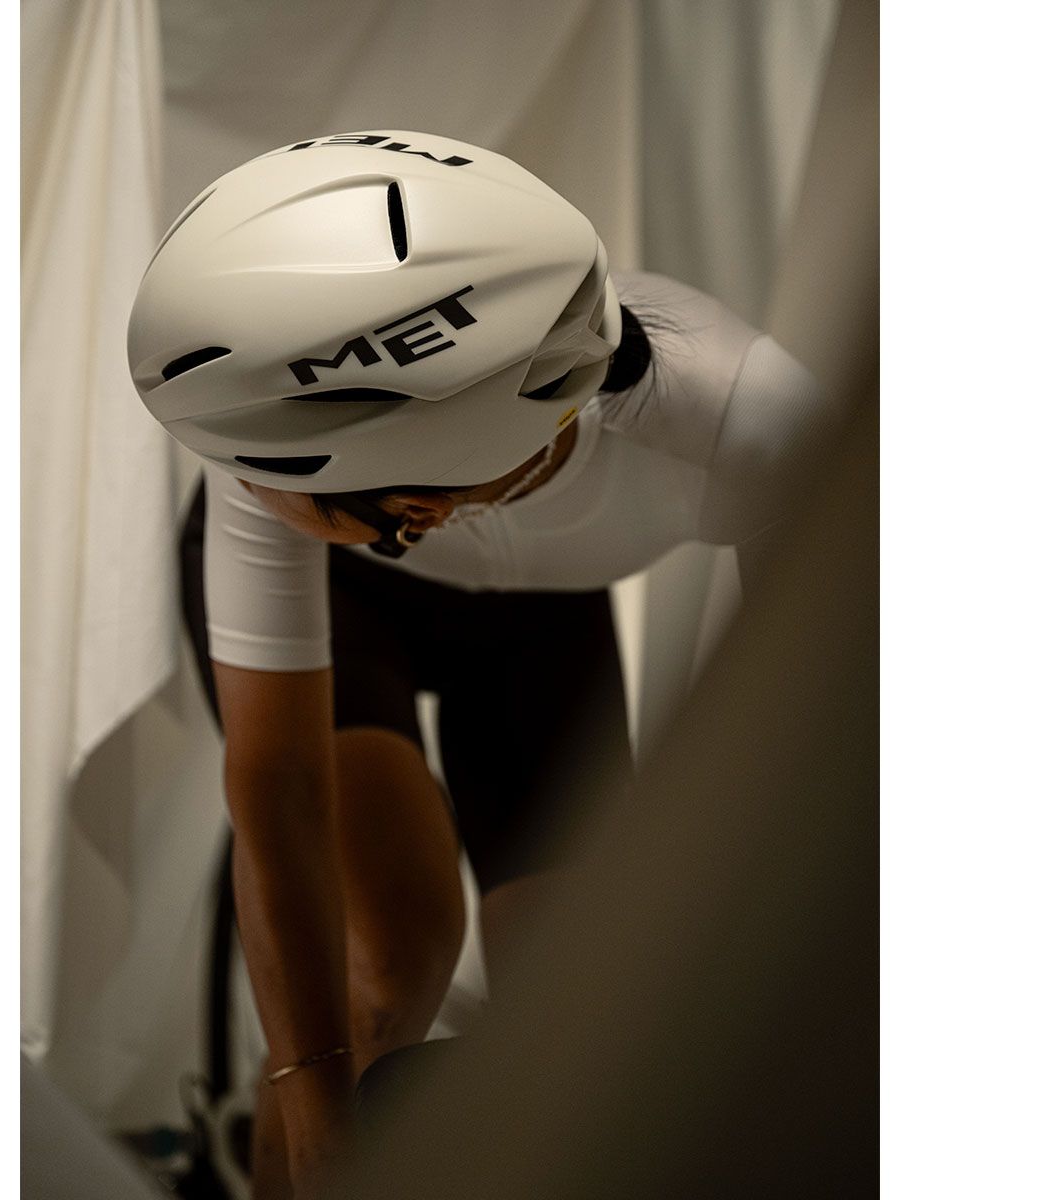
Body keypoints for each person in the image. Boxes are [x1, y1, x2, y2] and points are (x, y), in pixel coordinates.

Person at [127, 129, 835, 1199]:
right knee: (389, 964)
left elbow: (822, 758)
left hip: (538, 620)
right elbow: (280, 793)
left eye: (262, 482)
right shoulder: (269, 462)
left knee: (571, 1011)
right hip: (351, 600)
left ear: (418, 506)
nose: (237, 485)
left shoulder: (753, 419)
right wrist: (316, 1112)